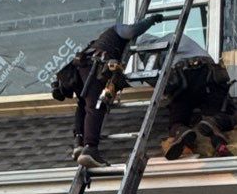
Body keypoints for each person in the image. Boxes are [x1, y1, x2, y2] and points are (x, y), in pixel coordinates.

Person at [52, 14, 160, 168]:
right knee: (96, 105)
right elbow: (131, 31)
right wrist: (150, 21)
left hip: (81, 69)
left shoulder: (97, 42)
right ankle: (90, 149)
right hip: (95, 67)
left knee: (83, 105)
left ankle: (79, 142)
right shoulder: (116, 29)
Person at [162, 34, 237, 157]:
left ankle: (180, 130)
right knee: (222, 115)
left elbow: (161, 86)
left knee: (177, 121)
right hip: (206, 75)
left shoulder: (151, 46)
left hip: (181, 82)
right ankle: (216, 132)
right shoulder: (178, 38)